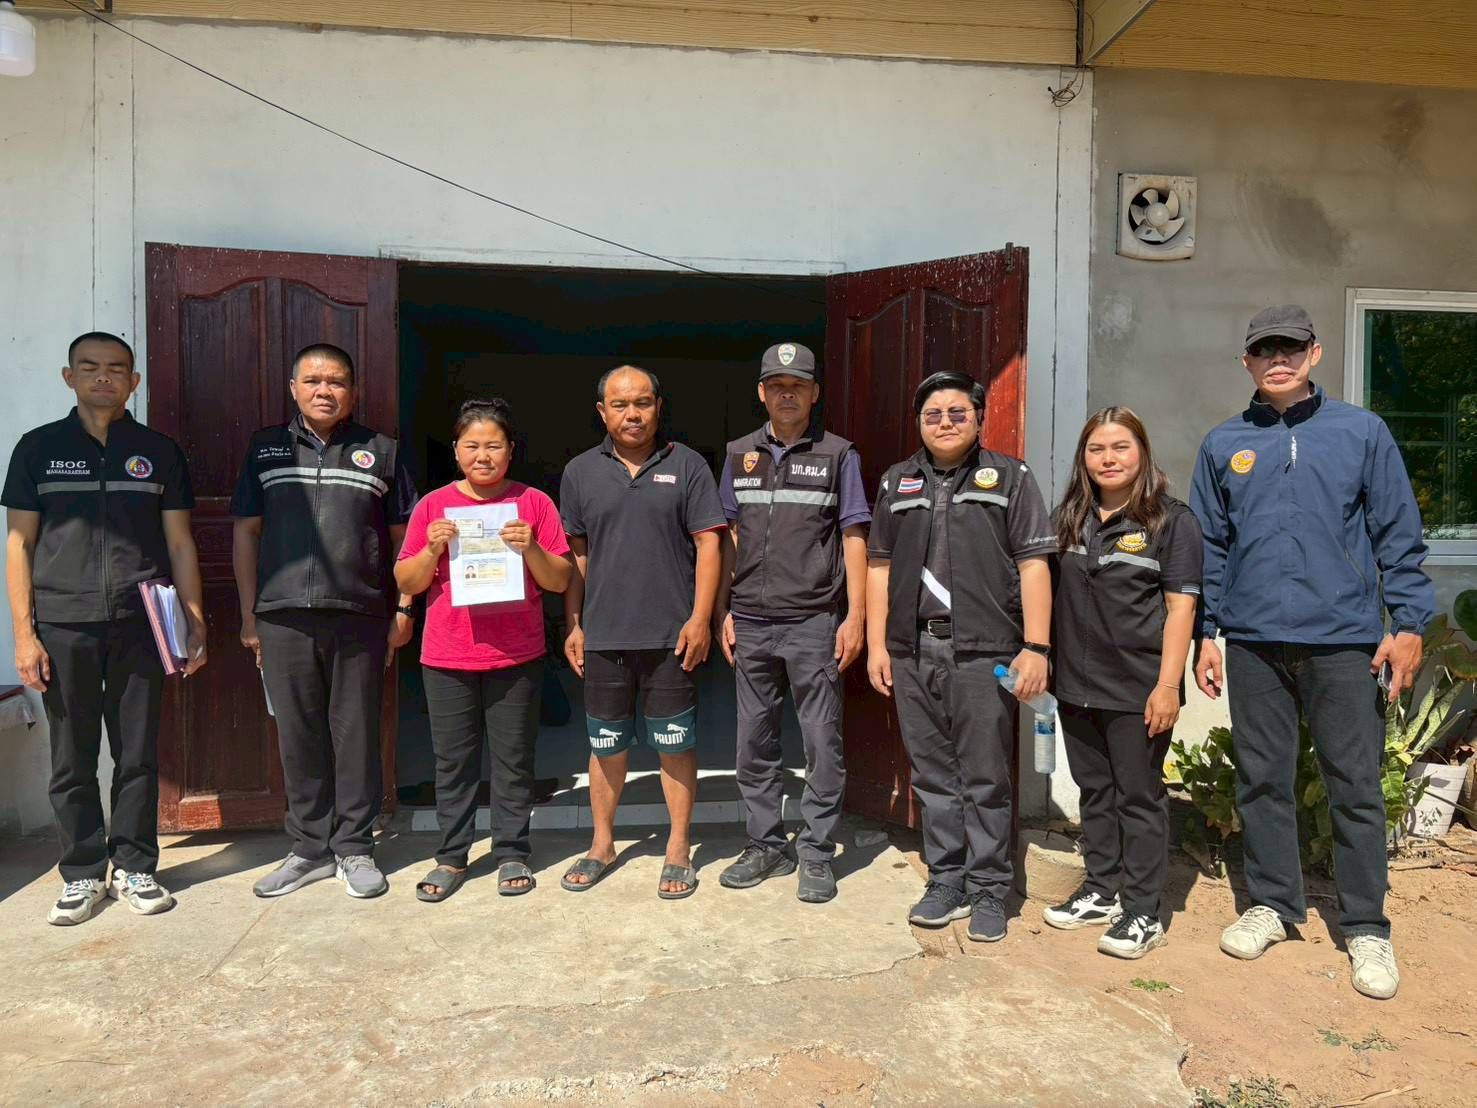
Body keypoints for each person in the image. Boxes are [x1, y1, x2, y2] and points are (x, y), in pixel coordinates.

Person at [1190, 305, 1435, 1000]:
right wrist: (1207, 632)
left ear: (1314, 354)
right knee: (1261, 780)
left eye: (1290, 348)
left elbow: (1397, 532)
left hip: (1344, 641)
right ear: (1245, 361)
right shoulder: (1223, 444)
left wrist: (1408, 622)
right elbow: (1210, 547)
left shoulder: (1360, 432)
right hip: (1254, 642)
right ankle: (1273, 904)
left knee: (1353, 786)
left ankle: (1366, 927)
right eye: (1264, 349)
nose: (1278, 359)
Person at [4, 332, 206, 925]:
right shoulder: (38, 449)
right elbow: (18, 544)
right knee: (72, 756)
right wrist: (24, 635)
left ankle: (137, 866)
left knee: (137, 753)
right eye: (89, 367)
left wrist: (194, 619)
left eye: (116, 368)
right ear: (69, 377)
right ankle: (83, 873)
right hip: (63, 624)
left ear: (133, 382)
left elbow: (179, 542)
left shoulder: (158, 452)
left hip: (140, 622)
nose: (103, 377)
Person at [865, 371, 1055, 941]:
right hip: (912, 649)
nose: (945, 422)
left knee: (986, 775)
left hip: (985, 650)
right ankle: (946, 879)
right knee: (932, 774)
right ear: (918, 423)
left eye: (957, 413)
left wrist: (1037, 647)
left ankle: (990, 887)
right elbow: (878, 565)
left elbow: (1034, 564)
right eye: (933, 414)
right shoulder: (896, 481)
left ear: (978, 419)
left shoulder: (1010, 477)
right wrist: (878, 644)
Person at [232, 343, 417, 900]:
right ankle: (309, 850)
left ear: (352, 392)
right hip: (282, 615)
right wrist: (249, 615)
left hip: (359, 614)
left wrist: (403, 608)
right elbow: (246, 533)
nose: (324, 390)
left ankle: (355, 847)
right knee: (298, 734)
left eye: (336, 381)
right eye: (312, 381)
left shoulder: (380, 451)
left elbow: (404, 539)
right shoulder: (265, 448)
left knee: (356, 732)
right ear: (293, 389)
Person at [559, 365, 726, 899]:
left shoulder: (688, 465)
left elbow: (709, 544)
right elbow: (577, 555)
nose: (632, 414)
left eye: (642, 403)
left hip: (671, 636)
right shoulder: (580, 472)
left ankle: (678, 847)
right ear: (601, 411)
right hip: (605, 636)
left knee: (675, 743)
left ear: (658, 406)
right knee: (606, 745)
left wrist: (701, 618)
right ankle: (601, 844)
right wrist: (574, 623)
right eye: (620, 404)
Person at [395, 399, 572, 901]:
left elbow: (560, 579)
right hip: (447, 654)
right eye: (471, 445)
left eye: (494, 445)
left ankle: (512, 851)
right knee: (453, 761)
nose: (483, 455)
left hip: (516, 654)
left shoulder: (533, 503)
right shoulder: (432, 507)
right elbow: (405, 579)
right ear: (456, 451)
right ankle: (451, 856)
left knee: (514, 760)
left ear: (511, 450)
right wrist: (431, 548)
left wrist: (531, 547)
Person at [713, 342, 869, 903]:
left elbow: (854, 533)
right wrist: (722, 609)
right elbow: (728, 535)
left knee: (821, 740)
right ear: (761, 392)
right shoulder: (738, 454)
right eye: (777, 385)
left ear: (814, 393)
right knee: (752, 742)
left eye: (798, 386)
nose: (787, 394)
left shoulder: (838, 454)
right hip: (751, 621)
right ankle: (766, 845)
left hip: (813, 622)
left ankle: (817, 851)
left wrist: (855, 616)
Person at [1045, 407, 1201, 959]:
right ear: (1083, 458)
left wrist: (1168, 685)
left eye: (1120, 448)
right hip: (1075, 684)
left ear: (1142, 453)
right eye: (1097, 449)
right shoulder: (1069, 517)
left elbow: (1181, 608)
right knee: (1095, 790)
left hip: (1139, 687)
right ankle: (1101, 888)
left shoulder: (1170, 522)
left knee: (1139, 797)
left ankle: (1142, 911)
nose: (1108, 459)